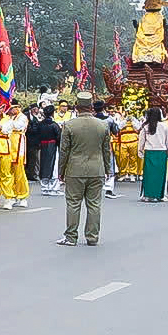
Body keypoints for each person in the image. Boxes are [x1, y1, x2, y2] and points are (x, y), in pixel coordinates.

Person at [56, 94, 113, 246]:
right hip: (97, 169)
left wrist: (60, 171)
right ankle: (92, 237)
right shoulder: (103, 125)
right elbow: (107, 150)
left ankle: (71, 237)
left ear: (76, 107)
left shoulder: (69, 125)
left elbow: (64, 151)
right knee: (94, 204)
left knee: (73, 204)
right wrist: (108, 169)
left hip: (75, 169)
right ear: (91, 107)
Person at [28, 104, 62, 197]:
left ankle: (44, 187)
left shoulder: (40, 124)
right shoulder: (54, 125)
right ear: (53, 113)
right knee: (54, 166)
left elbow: (36, 134)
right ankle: (53, 188)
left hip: (43, 146)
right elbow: (59, 137)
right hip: (53, 145)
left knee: (43, 165)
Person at [139, 106, 168, 202]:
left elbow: (141, 141)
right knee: (160, 175)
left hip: (149, 152)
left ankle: (148, 195)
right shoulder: (165, 126)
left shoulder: (145, 126)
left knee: (148, 174)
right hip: (161, 152)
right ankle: (159, 195)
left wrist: (140, 151)